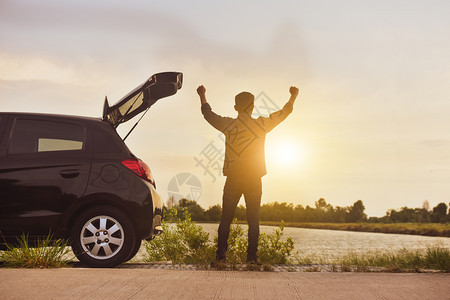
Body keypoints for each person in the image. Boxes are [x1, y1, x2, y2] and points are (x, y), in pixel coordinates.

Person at [197, 85, 299, 265]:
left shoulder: (229, 124)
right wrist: (293, 96)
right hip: (254, 179)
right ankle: (251, 259)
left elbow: (208, 114)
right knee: (253, 220)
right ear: (253, 107)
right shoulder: (261, 124)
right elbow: (284, 112)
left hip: (233, 178)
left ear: (235, 108)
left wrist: (203, 95)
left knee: (226, 219)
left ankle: (221, 257)